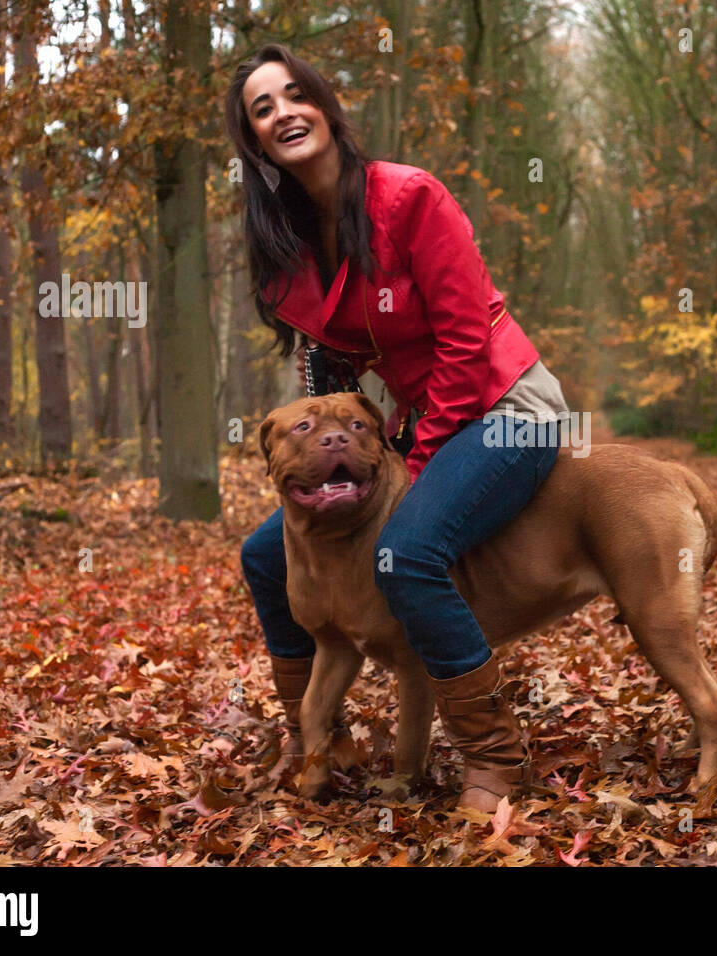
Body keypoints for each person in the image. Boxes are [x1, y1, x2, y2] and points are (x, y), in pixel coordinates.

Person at [225, 44, 569, 811]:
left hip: (508, 407)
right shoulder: (286, 253)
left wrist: (419, 451)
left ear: (325, 106)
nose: (282, 111)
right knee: (261, 554)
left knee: (405, 553)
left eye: (293, 95)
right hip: (425, 421)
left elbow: (465, 340)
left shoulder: (410, 197)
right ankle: (316, 731)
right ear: (253, 142)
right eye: (262, 108)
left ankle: (491, 756)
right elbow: (334, 384)